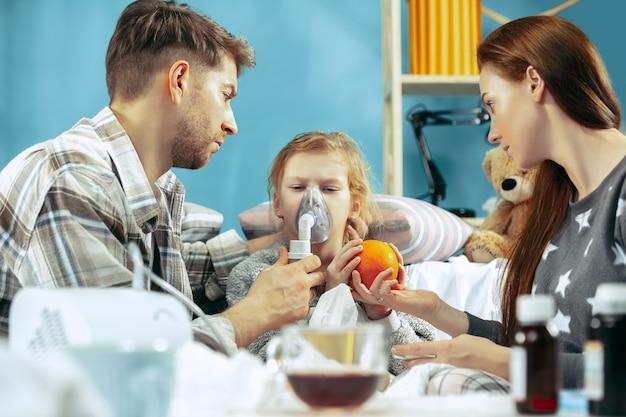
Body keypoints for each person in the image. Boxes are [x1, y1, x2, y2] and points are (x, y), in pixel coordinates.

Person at [0, 0, 325, 355]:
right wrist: (256, 314)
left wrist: (282, 239)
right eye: (225, 95)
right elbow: (122, 362)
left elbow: (172, 273)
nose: (232, 124)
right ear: (179, 80)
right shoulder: (72, 182)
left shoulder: (150, 185)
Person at [355, 14, 626, 391]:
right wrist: (441, 313)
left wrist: (500, 362)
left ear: (534, 83)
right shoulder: (560, 203)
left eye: (492, 105)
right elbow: (551, 353)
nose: (493, 133)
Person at [226, 131, 437, 376]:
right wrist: (332, 298)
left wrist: (381, 314)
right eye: (298, 187)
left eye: (329, 188)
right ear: (278, 204)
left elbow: (419, 365)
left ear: (354, 206)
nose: (312, 200)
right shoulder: (255, 275)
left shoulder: (377, 268)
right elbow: (260, 368)